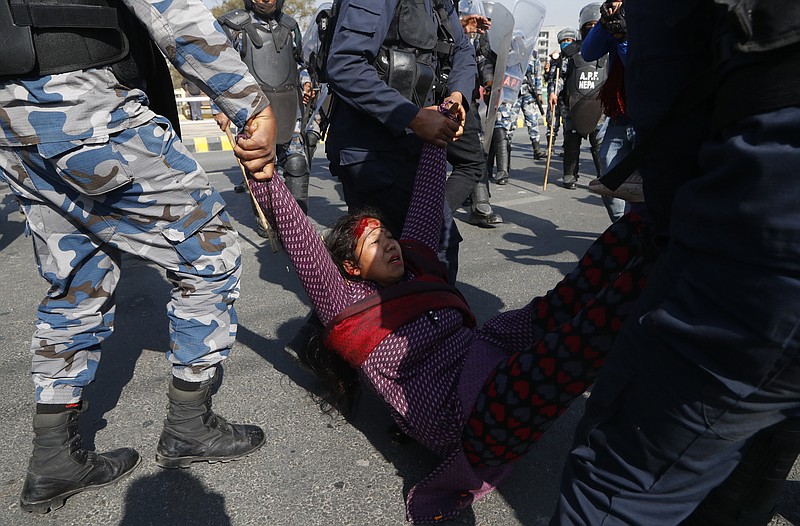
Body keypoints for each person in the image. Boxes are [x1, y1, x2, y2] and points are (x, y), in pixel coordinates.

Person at [250, 100, 654, 522]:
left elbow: (426, 197)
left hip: (487, 352)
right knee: (584, 337)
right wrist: (264, 175)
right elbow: (300, 239)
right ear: (350, 267)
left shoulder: (420, 264)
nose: (390, 243)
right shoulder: (346, 301)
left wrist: (441, 124)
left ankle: (657, 224)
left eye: (389, 234)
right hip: (467, 417)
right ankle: (668, 265)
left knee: (570, 297)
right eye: (375, 241)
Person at [0, 0, 277, 514]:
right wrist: (248, 103)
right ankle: (190, 427)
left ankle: (53, 458)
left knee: (76, 278)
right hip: (79, 100)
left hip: (12, 115)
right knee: (209, 250)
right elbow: (172, 8)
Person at [551, 0, 800, 524]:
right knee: (764, 437)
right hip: (711, 152)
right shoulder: (602, 28)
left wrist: (672, 240)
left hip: (766, 206)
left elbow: (664, 75)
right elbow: (602, 55)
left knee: (619, 480)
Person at [325, 0, 477, 284]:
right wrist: (413, 117)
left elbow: (463, 50)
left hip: (412, 144)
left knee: (428, 249)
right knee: (413, 255)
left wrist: (457, 95)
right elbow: (345, 64)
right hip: (372, 149)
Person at [216, 0, 311, 213]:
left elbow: (300, 63)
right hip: (253, 110)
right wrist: (221, 108)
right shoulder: (233, 26)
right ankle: (267, 218)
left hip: (289, 106)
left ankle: (297, 220)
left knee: (297, 164)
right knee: (261, 165)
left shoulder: (290, 26)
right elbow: (219, 67)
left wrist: (305, 81)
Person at [581, 0, 640, 221]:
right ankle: (622, 226)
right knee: (609, 171)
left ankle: (638, 229)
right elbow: (588, 52)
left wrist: (624, 39)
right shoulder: (614, 15)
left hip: (647, 110)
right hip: (621, 112)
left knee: (646, 181)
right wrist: (604, 23)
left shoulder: (648, 13)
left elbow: (639, 67)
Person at [444, 13, 503, 227]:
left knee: (473, 157)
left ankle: (480, 204)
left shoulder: (463, 13)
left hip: (462, 92)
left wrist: (488, 82)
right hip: (422, 87)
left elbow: (479, 57)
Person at [548, 7, 606, 190]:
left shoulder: (608, 50)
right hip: (572, 103)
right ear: (582, 27)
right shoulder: (571, 51)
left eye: (595, 25)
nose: (591, 28)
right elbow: (559, 76)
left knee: (599, 143)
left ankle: (603, 177)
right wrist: (553, 92)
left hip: (599, 104)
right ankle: (569, 175)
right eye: (588, 25)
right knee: (571, 142)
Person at [518, 51, 546, 160]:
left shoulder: (533, 54)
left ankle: (536, 149)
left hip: (529, 92)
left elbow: (538, 73)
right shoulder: (511, 49)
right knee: (508, 122)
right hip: (513, 91)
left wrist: (538, 92)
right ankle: (505, 152)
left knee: (532, 120)